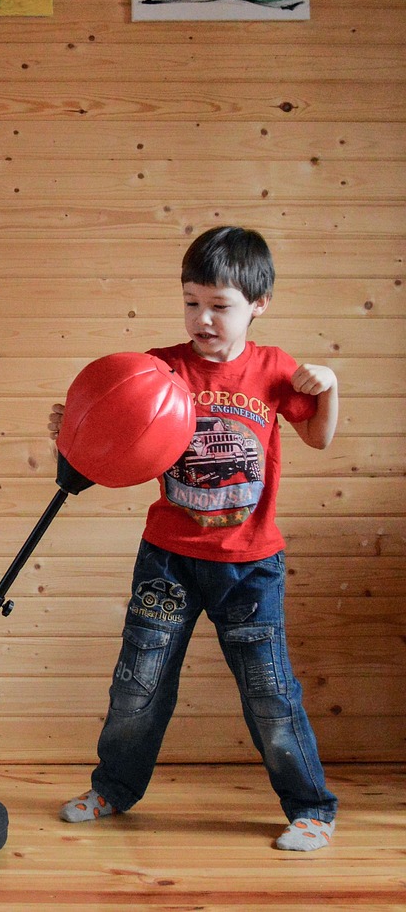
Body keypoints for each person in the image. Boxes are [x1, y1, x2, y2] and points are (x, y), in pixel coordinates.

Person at [48, 226, 340, 851]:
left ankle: (312, 806)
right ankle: (113, 789)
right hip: (168, 559)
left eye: (220, 305)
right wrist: (75, 428)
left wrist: (330, 389)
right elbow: (115, 445)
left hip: (250, 564)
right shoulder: (159, 370)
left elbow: (318, 437)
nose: (203, 318)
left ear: (258, 304)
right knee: (138, 682)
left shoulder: (273, 369)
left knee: (269, 689)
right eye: (191, 302)